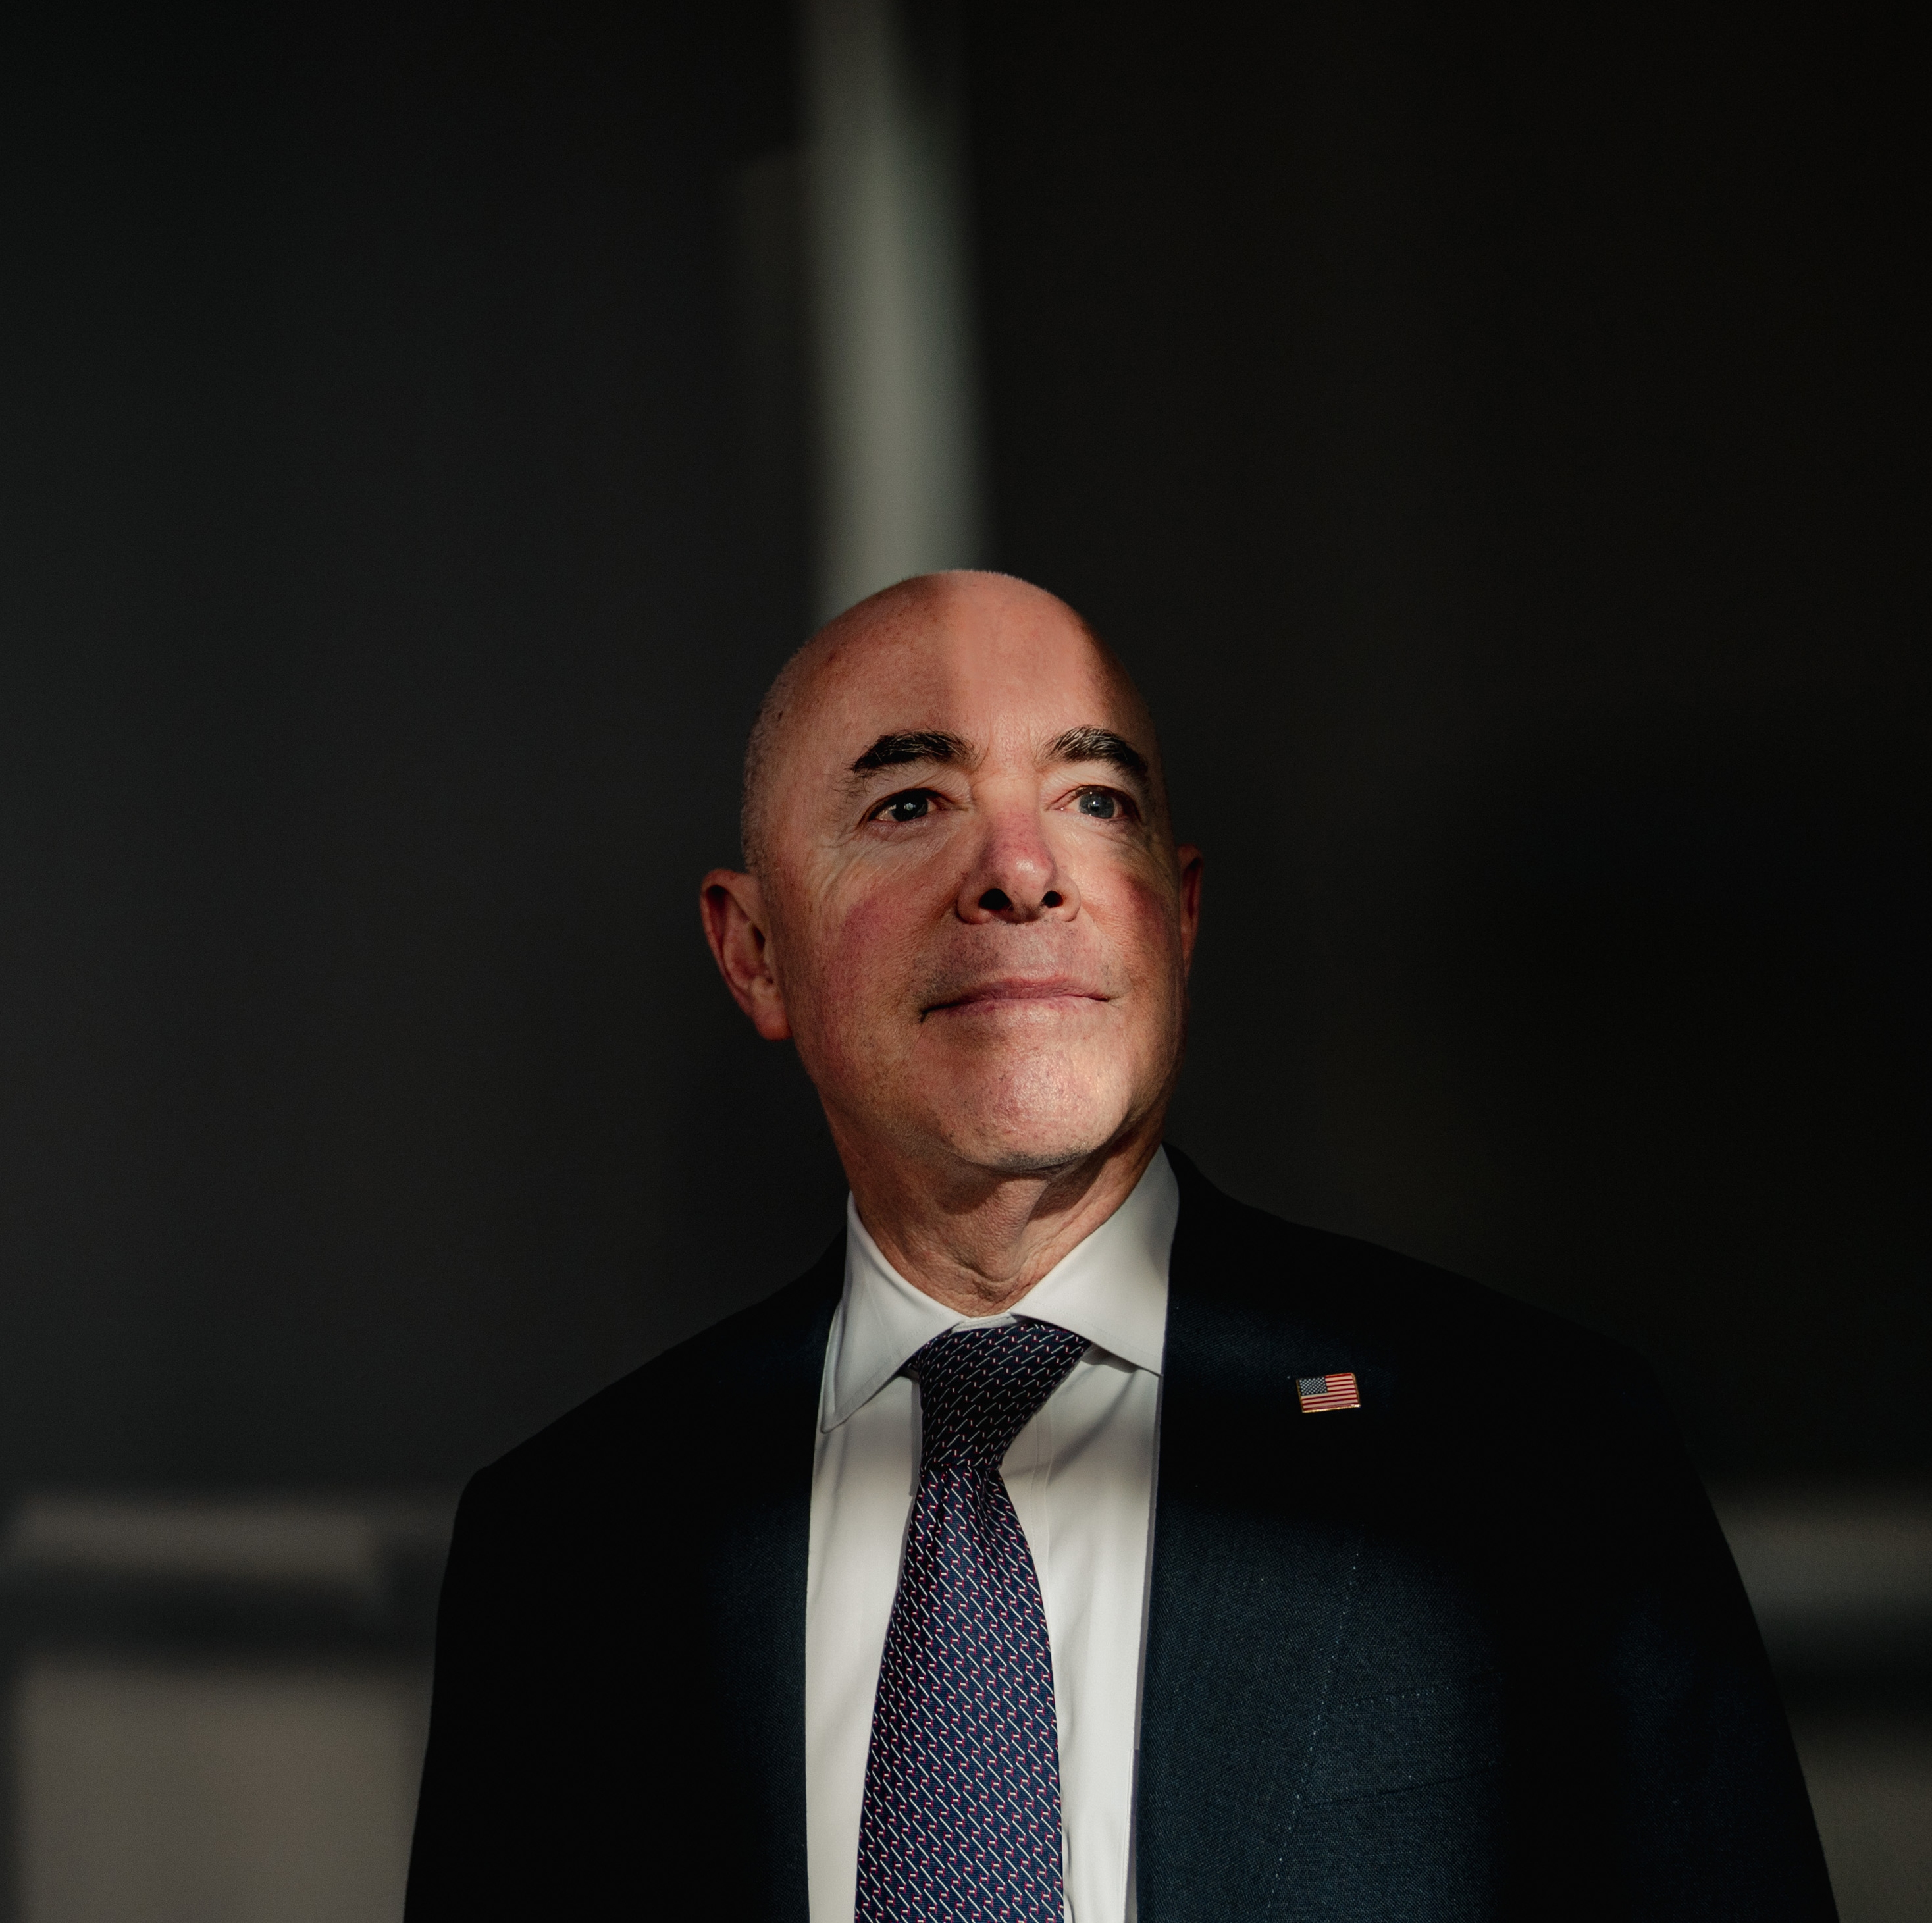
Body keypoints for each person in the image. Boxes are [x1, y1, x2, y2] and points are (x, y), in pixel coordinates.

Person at [402, 573, 1835, 1920]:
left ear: (1181, 918)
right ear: (753, 952)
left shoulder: (1540, 1448)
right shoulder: (565, 1551)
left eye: (1094, 800)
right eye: (911, 802)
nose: (1022, 872)